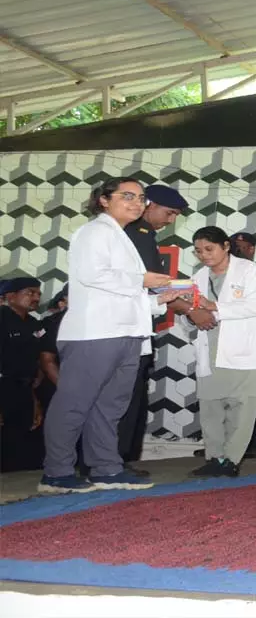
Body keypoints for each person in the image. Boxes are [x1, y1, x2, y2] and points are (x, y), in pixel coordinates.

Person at [40, 177, 185, 494]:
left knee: (110, 407)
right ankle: (57, 471)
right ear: (104, 200)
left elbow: (127, 292)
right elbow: (93, 276)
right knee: (74, 403)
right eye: (127, 196)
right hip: (95, 332)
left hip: (127, 332)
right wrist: (142, 279)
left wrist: (158, 300)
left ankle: (106, 468)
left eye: (141, 198)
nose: (136, 203)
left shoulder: (121, 237)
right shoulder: (93, 232)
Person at [180, 227, 256, 478]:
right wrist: (193, 317)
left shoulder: (250, 270)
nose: (204, 255)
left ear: (225, 246)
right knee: (211, 409)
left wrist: (212, 306)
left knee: (242, 411)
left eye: (209, 249)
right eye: (198, 251)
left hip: (246, 350)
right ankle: (214, 457)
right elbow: (187, 315)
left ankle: (231, 460)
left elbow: (254, 306)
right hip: (211, 349)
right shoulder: (198, 277)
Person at [118, 184, 189, 474]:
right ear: (149, 205)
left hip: (135, 326)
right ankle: (113, 460)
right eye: (169, 213)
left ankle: (117, 458)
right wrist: (191, 307)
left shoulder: (141, 235)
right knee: (123, 397)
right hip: (126, 329)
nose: (171, 219)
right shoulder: (137, 236)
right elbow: (152, 285)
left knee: (131, 396)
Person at [229, 231, 256, 460]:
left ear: (252, 249)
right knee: (225, 394)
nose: (238, 249)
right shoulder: (221, 270)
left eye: (243, 246)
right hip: (227, 340)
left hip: (253, 341)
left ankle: (252, 445)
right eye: (234, 245)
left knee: (250, 395)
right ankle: (224, 445)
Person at [1, 277, 48, 473]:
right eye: (30, 292)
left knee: (23, 442)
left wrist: (35, 398)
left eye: (38, 293)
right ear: (11, 296)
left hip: (26, 390)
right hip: (3, 387)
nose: (36, 297)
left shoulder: (34, 324)